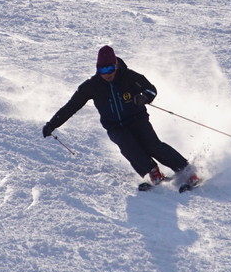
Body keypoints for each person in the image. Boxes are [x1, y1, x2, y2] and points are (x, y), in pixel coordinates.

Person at [42, 45, 197, 189]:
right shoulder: (91, 86)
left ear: (116, 65)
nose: (108, 74)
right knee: (128, 147)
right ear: (98, 69)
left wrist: (144, 97)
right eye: (103, 70)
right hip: (115, 126)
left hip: (137, 119)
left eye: (110, 68)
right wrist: (52, 124)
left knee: (152, 145)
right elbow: (71, 106)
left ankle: (187, 171)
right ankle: (153, 173)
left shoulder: (129, 77)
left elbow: (151, 90)